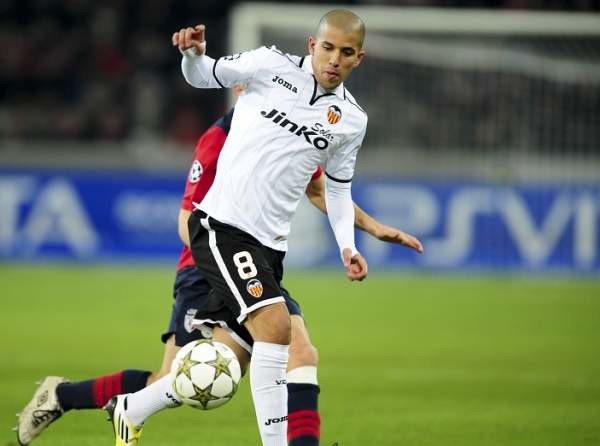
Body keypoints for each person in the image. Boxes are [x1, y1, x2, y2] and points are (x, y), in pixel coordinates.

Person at [15, 108, 423, 446]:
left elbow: (318, 191)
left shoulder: (288, 127)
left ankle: (102, 403)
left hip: (257, 265)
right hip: (207, 267)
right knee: (182, 377)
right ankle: (68, 397)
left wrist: (372, 229)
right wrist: (226, 271)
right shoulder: (217, 140)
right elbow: (185, 223)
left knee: (294, 352)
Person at [119, 8, 374, 446]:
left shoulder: (351, 121)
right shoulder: (269, 66)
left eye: (345, 53)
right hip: (220, 226)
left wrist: (347, 246)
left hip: (270, 248)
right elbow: (203, 75)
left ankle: (133, 407)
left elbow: (336, 187)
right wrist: (193, 55)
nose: (334, 59)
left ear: (358, 59)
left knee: (230, 360)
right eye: (327, 47)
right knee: (277, 327)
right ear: (313, 45)